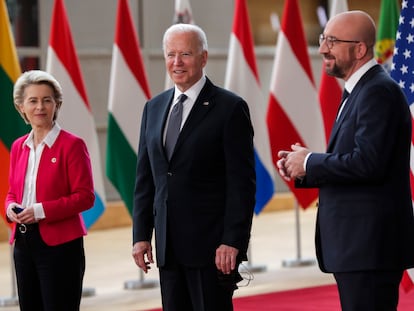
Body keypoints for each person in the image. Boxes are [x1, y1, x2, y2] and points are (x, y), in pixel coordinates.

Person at [277, 10, 414, 311]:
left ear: (360, 49)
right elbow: (357, 160)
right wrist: (303, 165)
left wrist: (312, 162)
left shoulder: (377, 91)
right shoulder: (360, 91)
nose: (323, 48)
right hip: (358, 248)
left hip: (369, 250)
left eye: (333, 41)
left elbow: (368, 163)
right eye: (323, 39)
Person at [131, 23, 256, 311]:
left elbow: (242, 183)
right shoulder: (154, 107)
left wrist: (232, 241)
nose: (177, 62)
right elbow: (145, 178)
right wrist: (141, 235)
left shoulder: (229, 107)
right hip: (167, 247)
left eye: (185, 54)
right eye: (171, 54)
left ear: (203, 58)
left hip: (212, 248)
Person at [5, 70, 95, 311]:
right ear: (21, 107)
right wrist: (10, 208)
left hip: (60, 245)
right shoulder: (18, 147)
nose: (40, 107)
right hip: (24, 243)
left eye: (47, 100)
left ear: (57, 104)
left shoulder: (72, 145)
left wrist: (40, 211)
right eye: (32, 101)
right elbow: (13, 193)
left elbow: (85, 197)